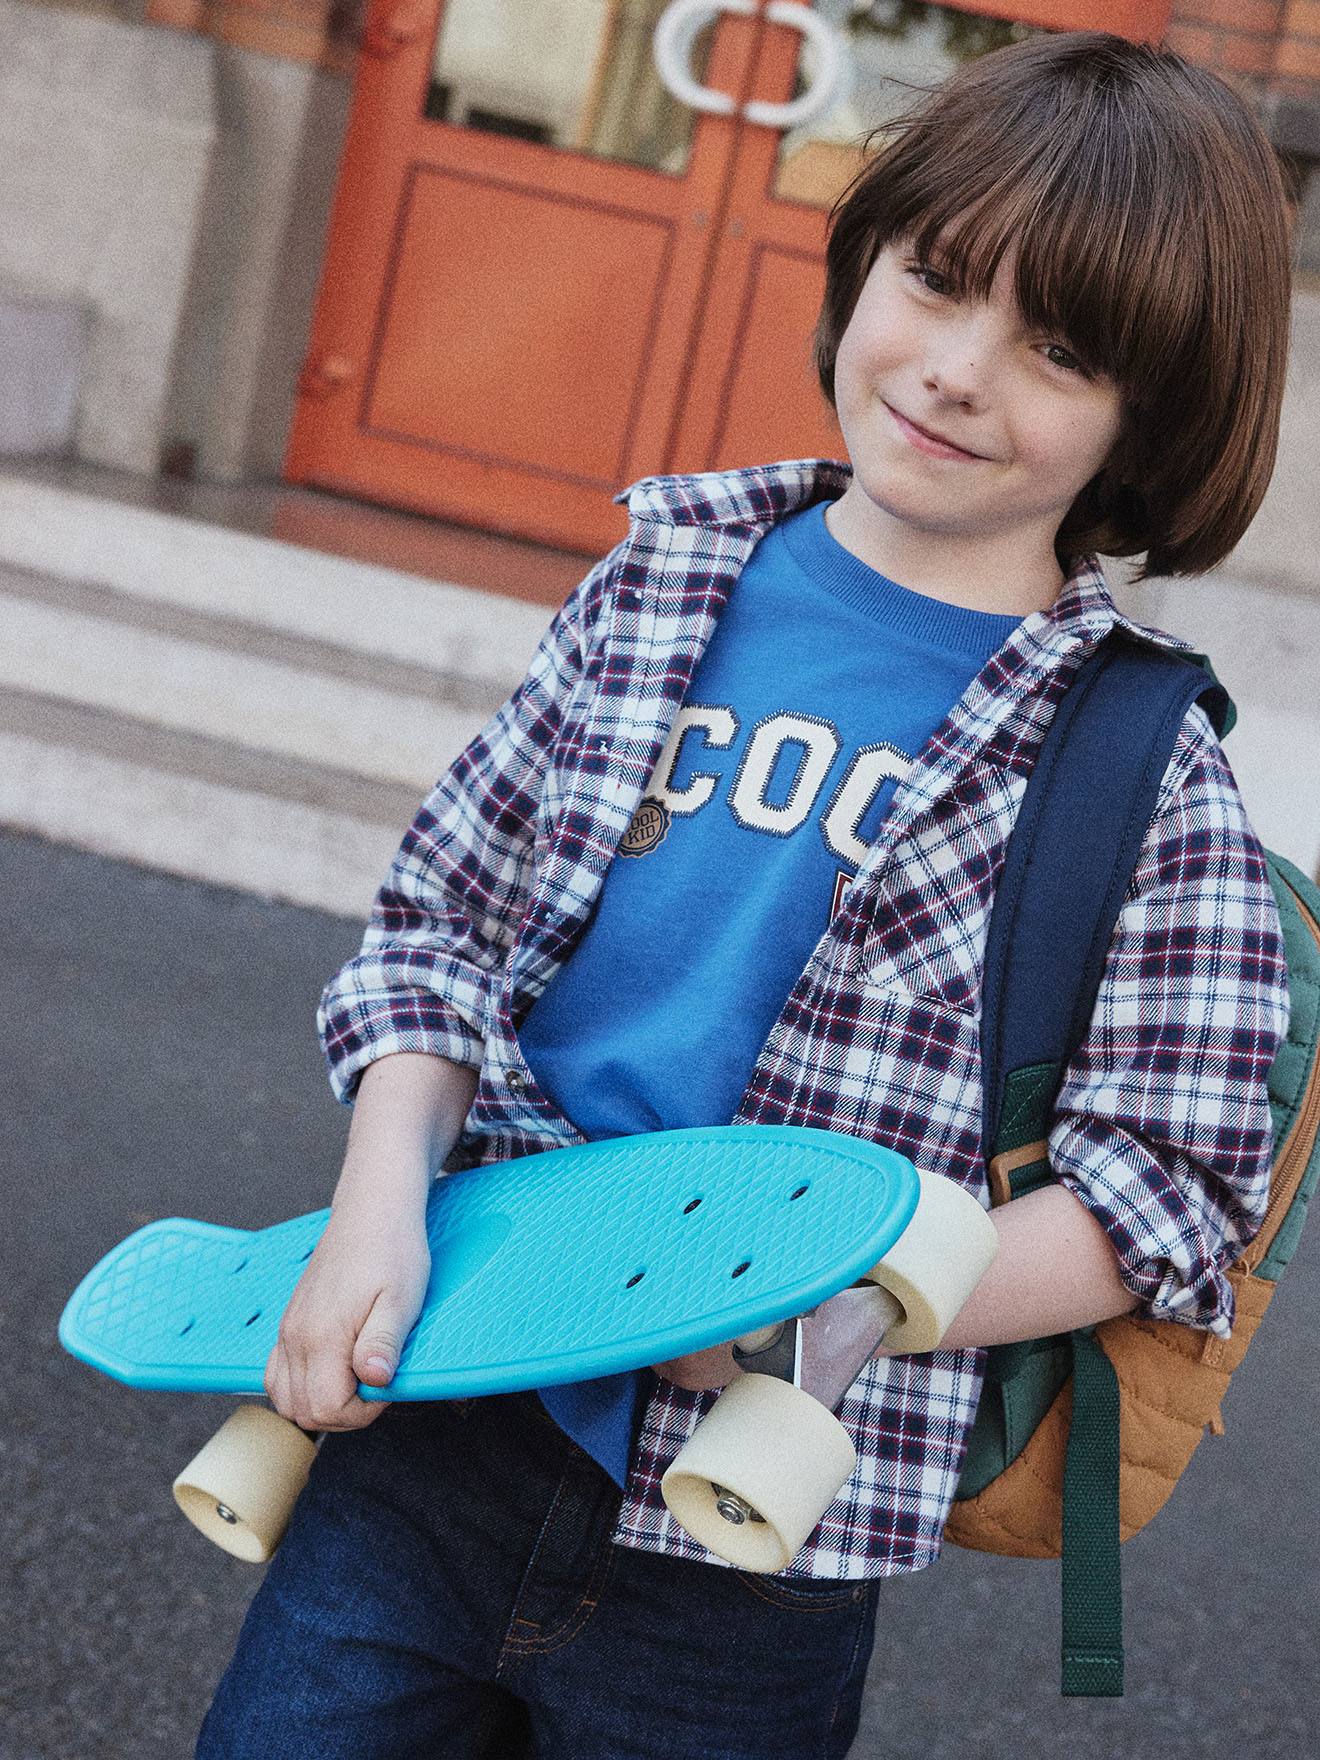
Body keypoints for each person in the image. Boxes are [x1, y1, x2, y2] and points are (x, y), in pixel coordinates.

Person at [197, 30, 1294, 1759]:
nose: (955, 371)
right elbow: (439, 931)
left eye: (1061, 350)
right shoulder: (665, 578)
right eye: (936, 280)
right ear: (866, 258)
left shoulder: (1138, 762)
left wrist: (826, 1313)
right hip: (441, 1411)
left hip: (751, 1548)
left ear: (1149, 417)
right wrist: (375, 1202)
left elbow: (1169, 1183)